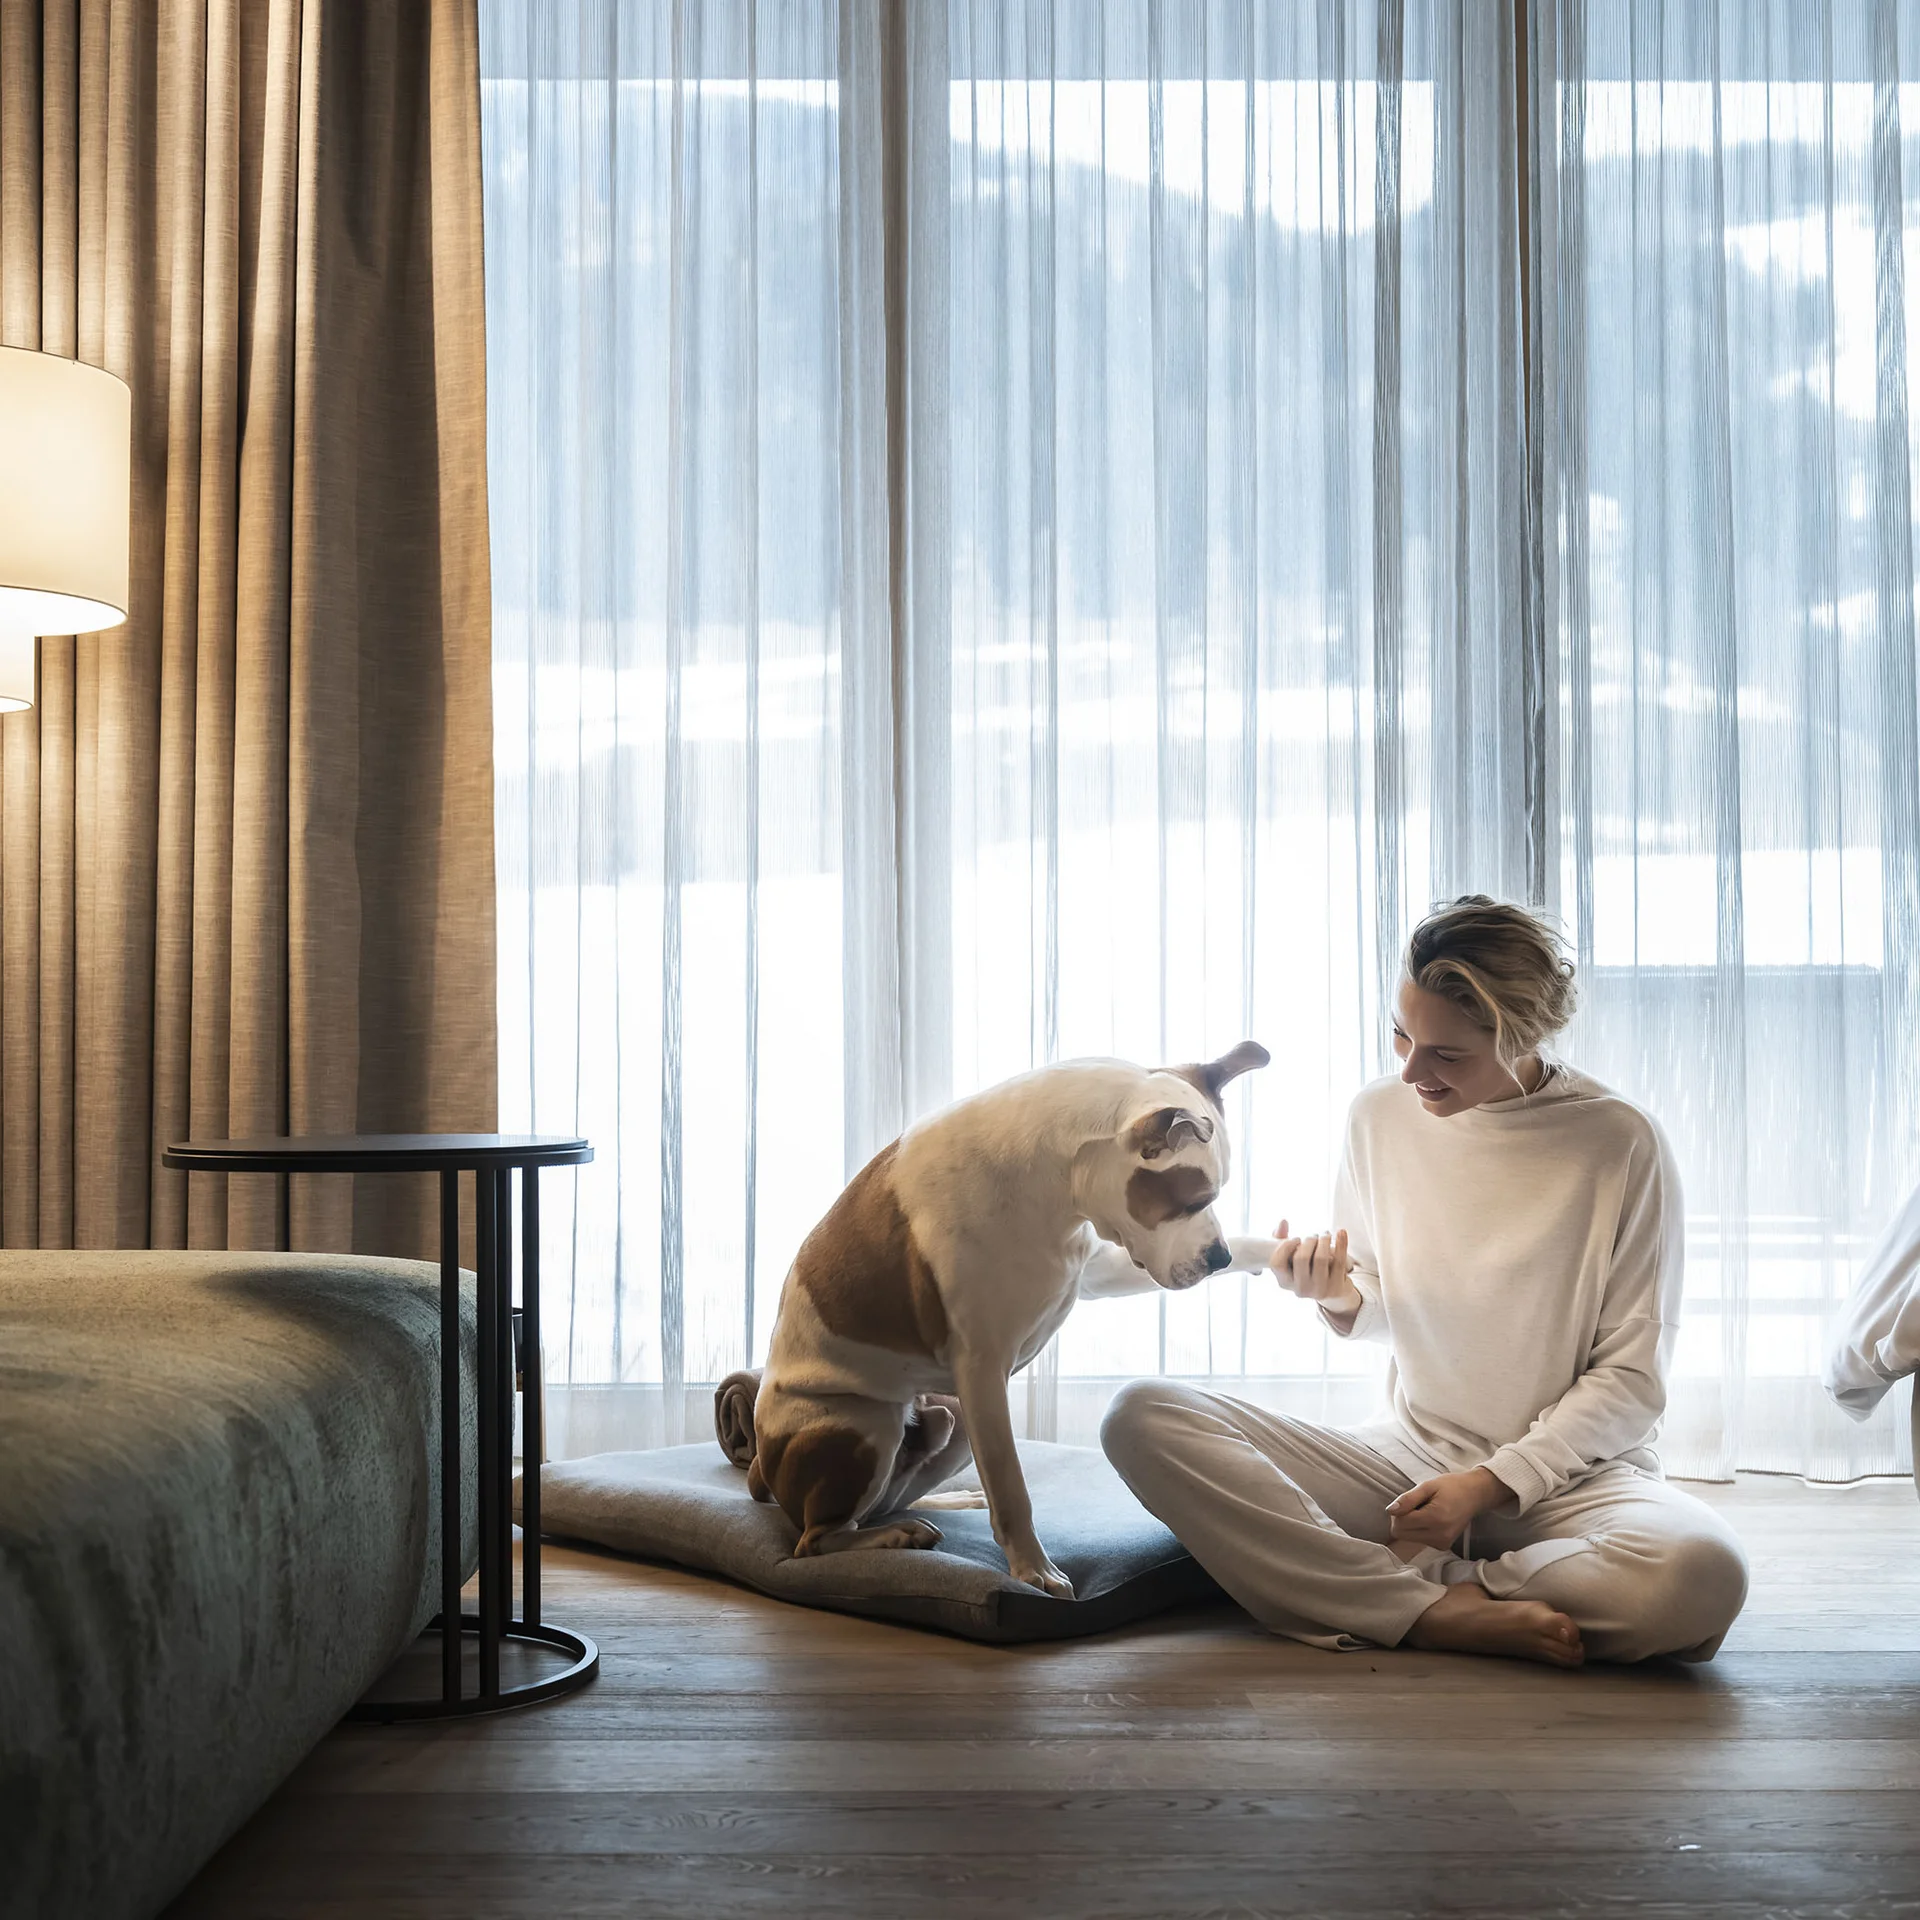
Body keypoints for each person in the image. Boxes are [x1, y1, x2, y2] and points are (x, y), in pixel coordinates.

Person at [1101, 895, 1749, 1667]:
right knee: (1141, 1415)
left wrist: (1491, 1484)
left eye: (1447, 1055)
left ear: (1524, 1035)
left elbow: (1634, 1378)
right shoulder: (1379, 1115)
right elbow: (1383, 1297)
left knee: (1700, 1577)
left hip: (1574, 1482)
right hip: (1405, 1463)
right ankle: (1433, 1608)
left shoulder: (1619, 1142)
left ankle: (1392, 1586)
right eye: (1402, 1035)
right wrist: (1339, 1296)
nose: (1411, 1071)